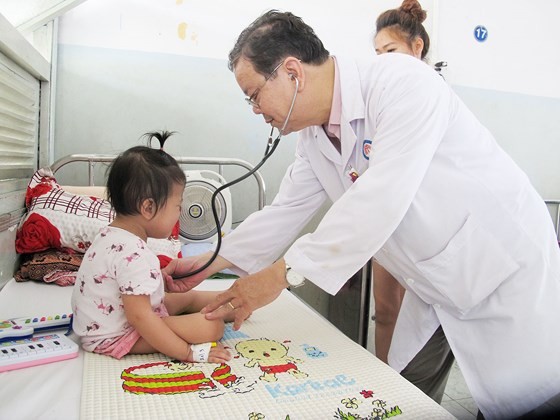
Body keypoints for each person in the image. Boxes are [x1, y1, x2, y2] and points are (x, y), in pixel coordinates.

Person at [165, 10, 560, 419]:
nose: (254, 109)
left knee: (528, 401)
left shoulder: (403, 83)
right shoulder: (314, 138)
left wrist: (282, 275)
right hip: (437, 282)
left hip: (503, 271)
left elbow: (380, 197)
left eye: (253, 94)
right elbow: (284, 211)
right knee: (404, 397)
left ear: (292, 73)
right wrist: (206, 263)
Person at [71, 131, 231, 364]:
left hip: (116, 318)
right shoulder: (134, 254)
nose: (179, 213)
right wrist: (188, 353)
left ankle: (231, 301)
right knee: (211, 328)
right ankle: (225, 309)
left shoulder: (110, 235)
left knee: (186, 297)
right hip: (115, 335)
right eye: (177, 206)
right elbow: (140, 318)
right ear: (148, 207)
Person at [370, 0, 455, 406]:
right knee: (385, 311)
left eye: (390, 52)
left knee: (417, 320)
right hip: (388, 221)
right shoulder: (383, 99)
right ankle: (384, 385)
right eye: (377, 55)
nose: (382, 63)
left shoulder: (435, 96)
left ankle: (407, 395)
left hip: (424, 227)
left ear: (416, 48)